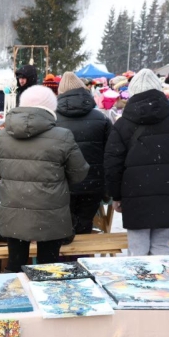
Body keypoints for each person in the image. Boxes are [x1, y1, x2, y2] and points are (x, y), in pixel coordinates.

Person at [0, 86, 89, 271]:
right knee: (48, 269)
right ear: (51, 108)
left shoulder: (2, 137)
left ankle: (17, 298)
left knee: (15, 266)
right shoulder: (62, 136)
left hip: (14, 210)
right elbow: (79, 173)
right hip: (50, 211)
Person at [105, 69, 169, 256]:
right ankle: (158, 283)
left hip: (135, 194)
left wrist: (116, 195)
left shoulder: (123, 124)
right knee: (162, 248)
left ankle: (138, 284)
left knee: (138, 250)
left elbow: (112, 164)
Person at [55, 72, 112, 236]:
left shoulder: (52, 118)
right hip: (93, 185)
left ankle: (65, 258)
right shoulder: (101, 118)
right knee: (84, 227)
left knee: (63, 231)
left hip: (62, 185)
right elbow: (111, 152)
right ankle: (81, 258)